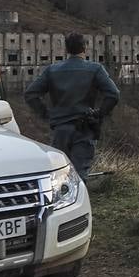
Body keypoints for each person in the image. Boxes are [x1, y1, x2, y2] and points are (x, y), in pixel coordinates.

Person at [25, 32, 120, 180]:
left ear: (66, 50)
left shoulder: (52, 70)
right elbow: (113, 94)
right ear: (85, 48)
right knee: (79, 176)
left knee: (59, 175)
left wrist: (46, 114)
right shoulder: (95, 69)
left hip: (60, 129)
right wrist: (99, 114)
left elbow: (31, 94)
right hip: (84, 129)